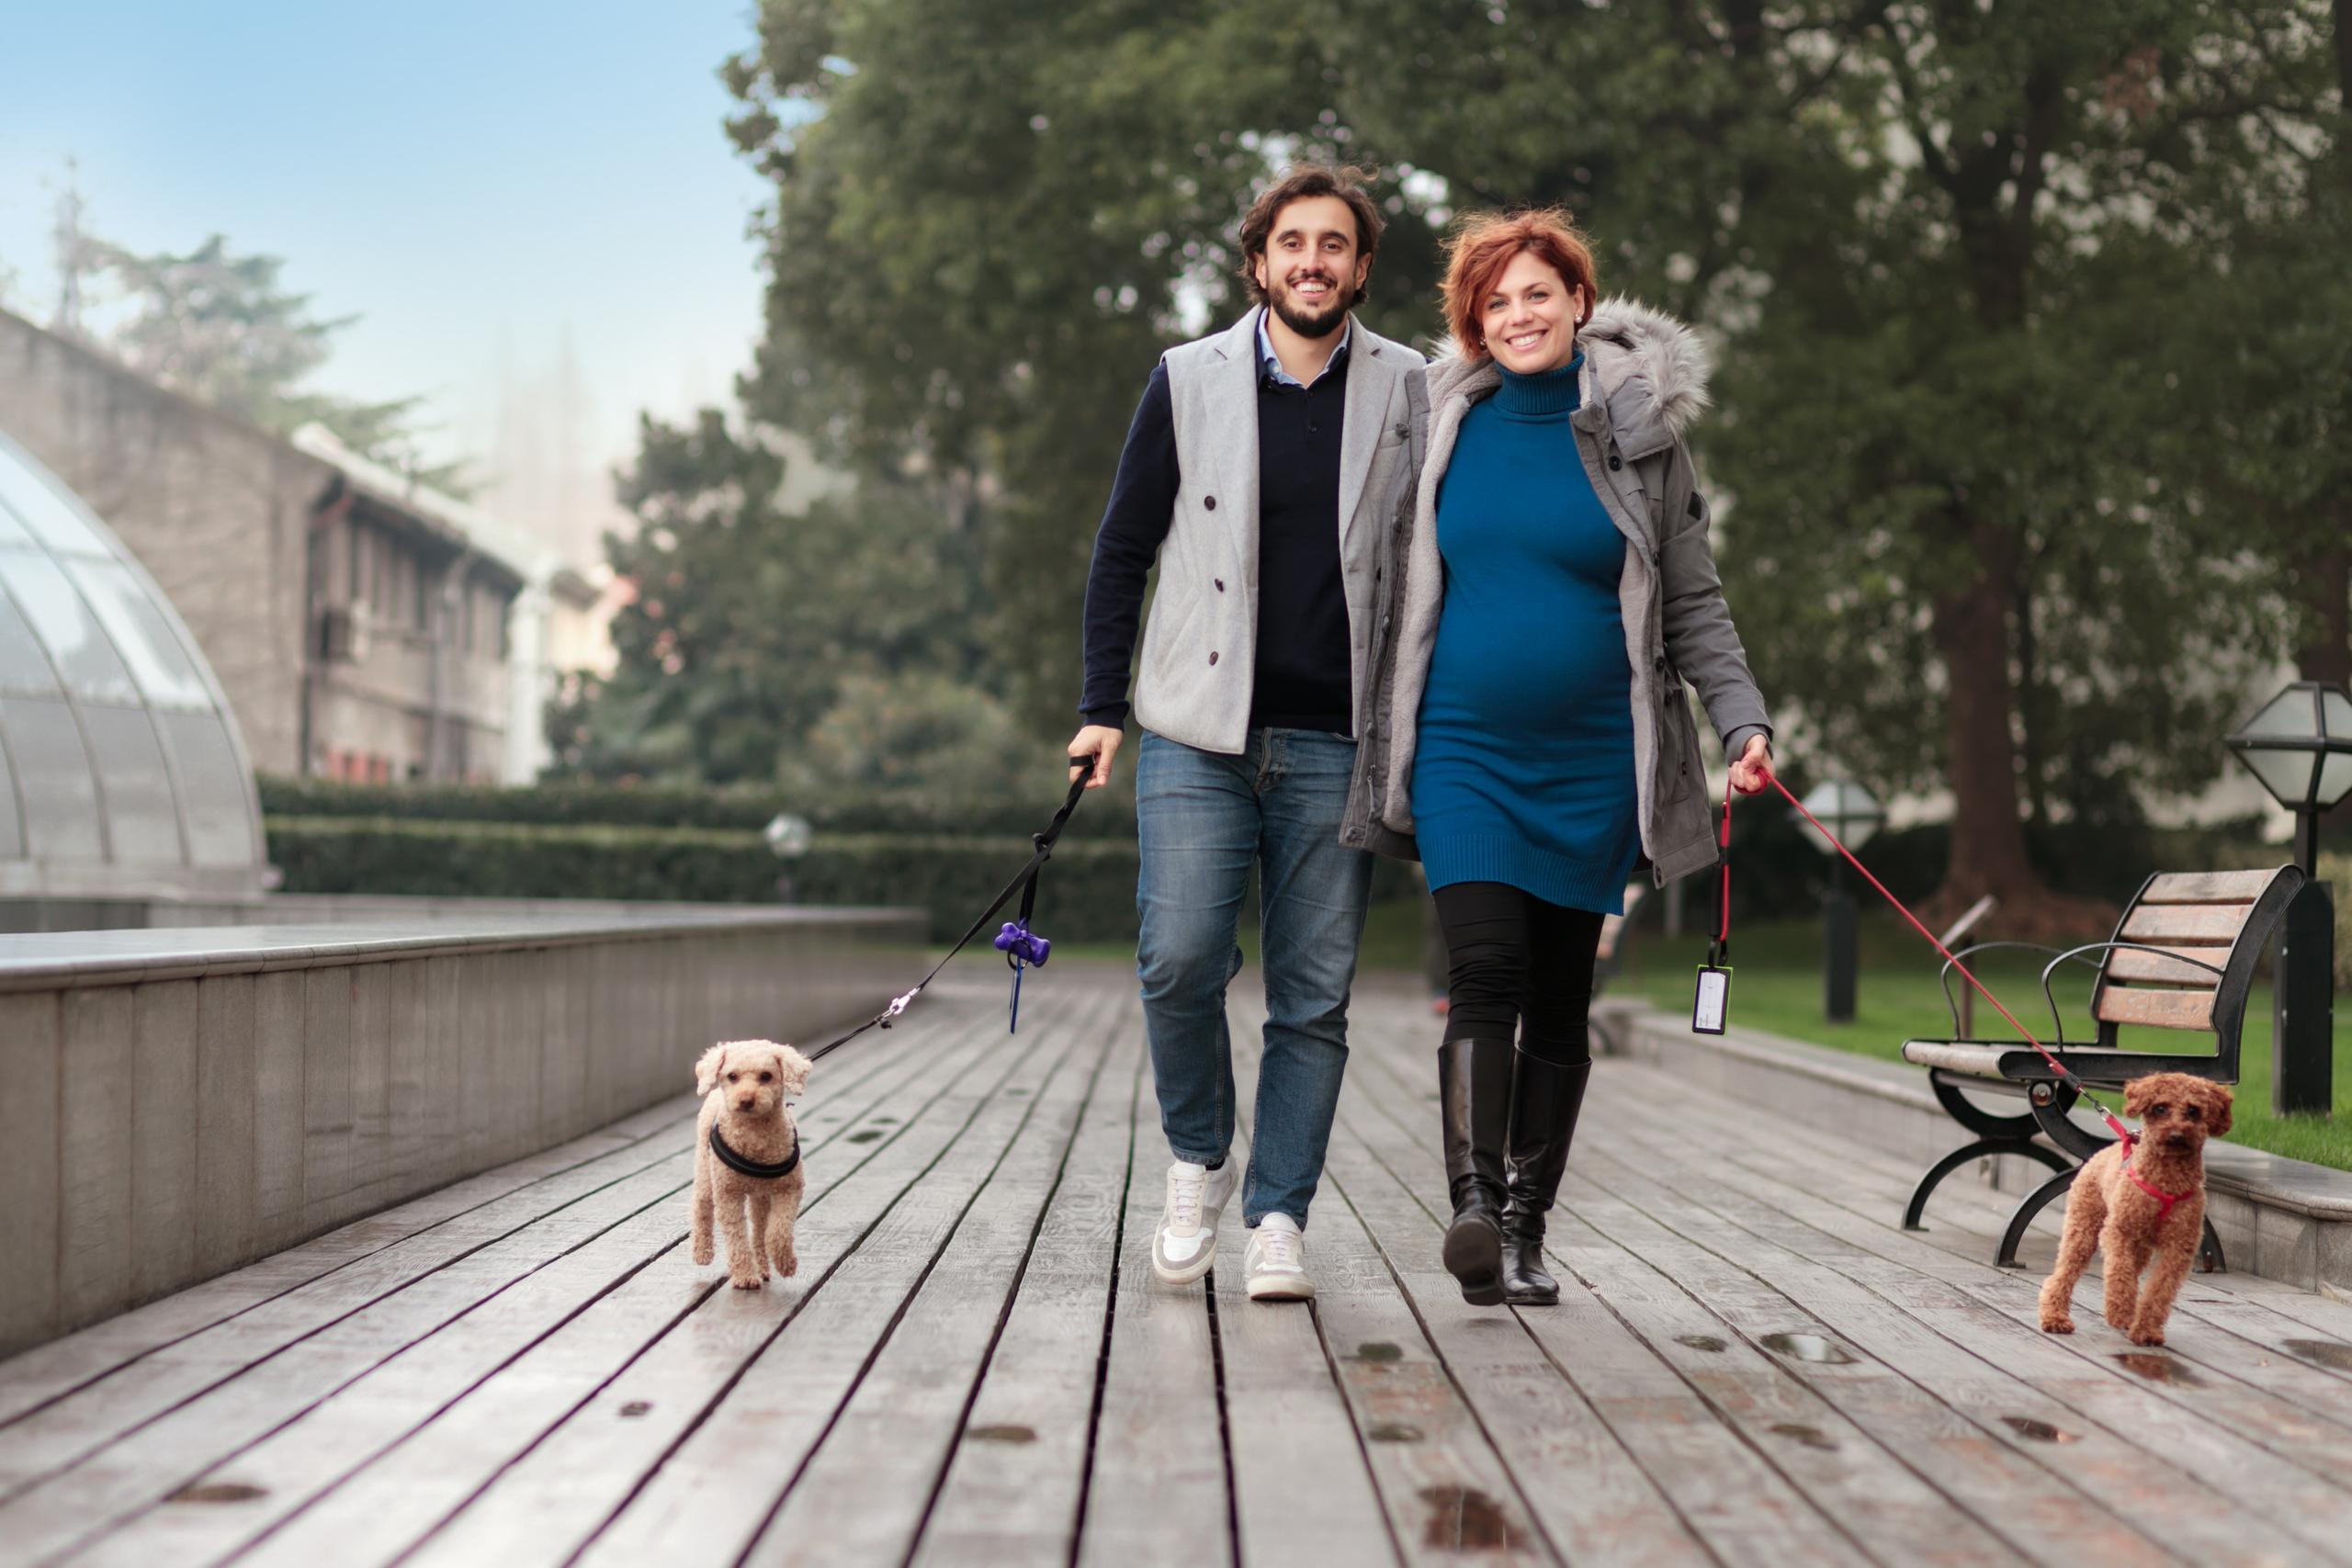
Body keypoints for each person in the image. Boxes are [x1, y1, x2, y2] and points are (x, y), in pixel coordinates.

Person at [1341, 209, 1775, 1306]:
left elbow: (1694, 602)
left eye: (1535, 294)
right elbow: (1375, 581)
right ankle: (1476, 1206)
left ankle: (1528, 1227)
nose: (1515, 315)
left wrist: (1744, 722)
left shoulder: (1642, 439)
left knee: (1559, 996)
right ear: (1471, 325)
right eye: (1493, 303)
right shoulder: (1439, 426)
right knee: (1483, 971)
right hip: (1463, 749)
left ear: (1580, 302)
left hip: (1594, 761)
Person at [1068, 165, 1427, 1302]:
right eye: (1292, 244)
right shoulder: (1186, 380)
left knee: (1312, 1000)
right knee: (1177, 962)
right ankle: (1198, 1156)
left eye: (1334, 246)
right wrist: (1097, 708)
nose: (1312, 262)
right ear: (1257, 262)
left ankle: (1278, 1215)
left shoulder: (1416, 388)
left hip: (1338, 739)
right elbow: (1122, 550)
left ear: (1360, 268)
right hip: (1194, 731)